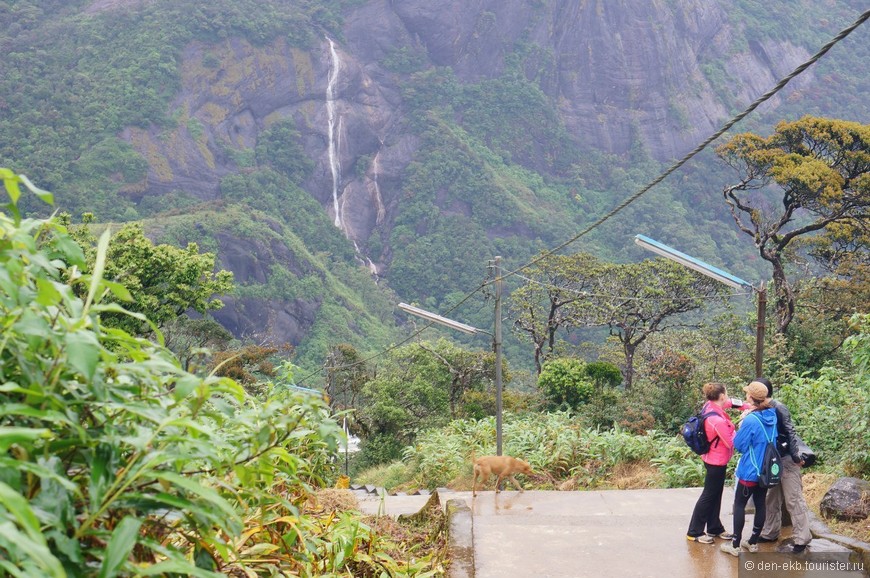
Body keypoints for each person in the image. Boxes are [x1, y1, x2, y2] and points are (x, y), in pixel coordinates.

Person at [755, 377, 813, 553]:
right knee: (771, 498)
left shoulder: (779, 408)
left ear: (763, 393)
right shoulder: (760, 409)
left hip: (787, 459)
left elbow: (790, 432)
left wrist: (796, 457)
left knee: (793, 499)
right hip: (772, 461)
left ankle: (802, 538)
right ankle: (770, 532)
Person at [720, 381, 778, 557]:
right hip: (766, 469)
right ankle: (752, 542)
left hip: (750, 470)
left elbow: (739, 445)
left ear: (751, 397)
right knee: (761, 504)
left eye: (747, 394)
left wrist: (742, 423)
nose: (746, 396)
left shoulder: (751, 419)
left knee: (739, 504)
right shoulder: (772, 413)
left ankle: (735, 545)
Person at [686, 382, 747, 543]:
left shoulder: (710, 405)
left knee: (715, 494)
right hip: (716, 461)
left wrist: (749, 405)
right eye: (726, 393)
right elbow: (731, 442)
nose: (727, 396)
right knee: (708, 495)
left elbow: (730, 403)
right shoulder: (716, 420)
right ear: (721, 395)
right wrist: (740, 427)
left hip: (712, 458)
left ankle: (714, 527)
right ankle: (694, 531)